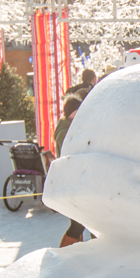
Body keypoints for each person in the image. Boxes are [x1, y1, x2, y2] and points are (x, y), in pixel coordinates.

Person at [55, 93, 89, 247]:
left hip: (76, 183)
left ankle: (75, 253)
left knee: (84, 222)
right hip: (70, 183)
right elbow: (69, 155)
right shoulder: (64, 132)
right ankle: (63, 254)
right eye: (77, 111)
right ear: (70, 113)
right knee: (78, 224)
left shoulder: (71, 128)